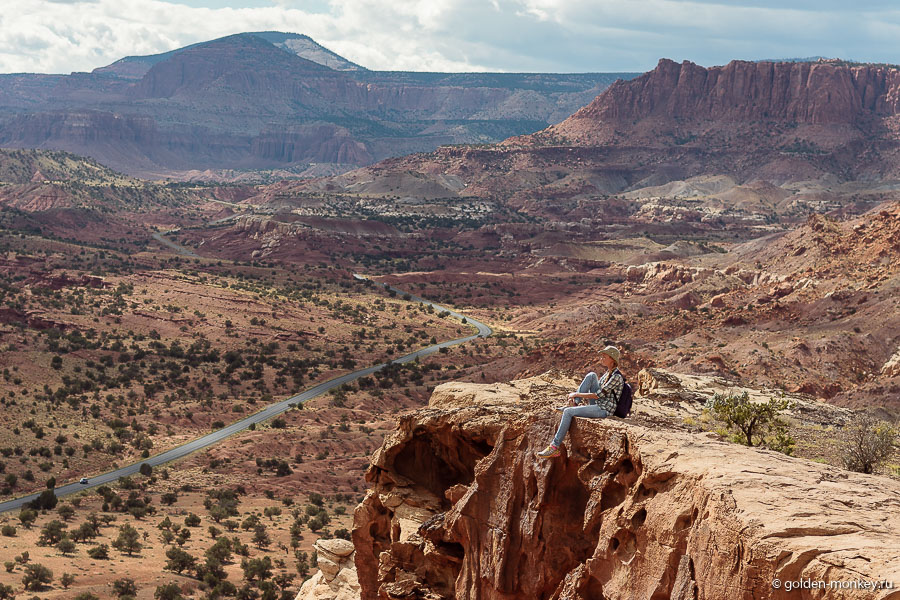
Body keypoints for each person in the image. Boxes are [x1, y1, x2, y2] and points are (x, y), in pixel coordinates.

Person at [537, 345, 624, 458]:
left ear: (612, 359)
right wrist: (576, 398)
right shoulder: (607, 374)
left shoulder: (616, 377)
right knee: (592, 375)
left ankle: (554, 447)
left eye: (604, 356)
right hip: (599, 404)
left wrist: (576, 394)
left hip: (604, 410)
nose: (601, 358)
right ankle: (575, 403)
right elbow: (598, 392)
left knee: (568, 412)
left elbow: (598, 395)